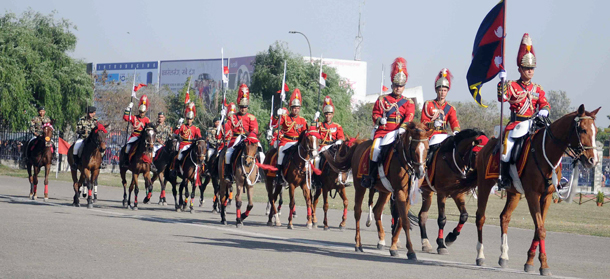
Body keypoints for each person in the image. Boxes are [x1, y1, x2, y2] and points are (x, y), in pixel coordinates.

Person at [497, 33, 550, 189]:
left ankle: (555, 177)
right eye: (526, 68)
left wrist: (545, 110)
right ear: (520, 69)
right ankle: (505, 177)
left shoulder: (537, 88)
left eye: (532, 68)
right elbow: (503, 98)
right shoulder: (512, 85)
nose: (529, 71)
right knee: (506, 151)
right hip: (516, 124)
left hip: (534, 125)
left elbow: (544, 103)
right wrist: (502, 83)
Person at [362, 57, 415, 188]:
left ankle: (414, 178)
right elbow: (375, 113)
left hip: (400, 132)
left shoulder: (409, 102)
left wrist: (403, 127)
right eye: (396, 86)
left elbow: (409, 116)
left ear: (404, 87)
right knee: (374, 150)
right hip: (383, 131)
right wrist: (380, 120)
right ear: (392, 85)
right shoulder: (382, 99)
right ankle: (371, 176)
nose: (398, 88)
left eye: (401, 86)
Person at [223, 84, 261, 183]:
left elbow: (254, 130)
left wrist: (251, 137)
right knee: (228, 154)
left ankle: (259, 173)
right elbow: (227, 128)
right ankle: (228, 174)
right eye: (241, 107)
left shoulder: (251, 117)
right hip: (235, 139)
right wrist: (224, 120)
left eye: (245, 107)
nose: (243, 109)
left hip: (248, 139)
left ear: (247, 107)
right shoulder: (233, 117)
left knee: (261, 153)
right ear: (238, 106)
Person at [271, 88, 308, 184]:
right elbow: (275, 125)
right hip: (286, 141)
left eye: (298, 108)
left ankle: (309, 176)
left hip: (298, 143)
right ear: (291, 108)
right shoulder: (285, 117)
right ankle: (278, 175)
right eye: (294, 107)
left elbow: (305, 133)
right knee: (280, 152)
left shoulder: (302, 120)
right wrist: (276, 115)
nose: (296, 109)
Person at [421, 68, 461, 154]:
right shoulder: (428, 104)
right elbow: (423, 122)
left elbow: (454, 121)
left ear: (447, 91)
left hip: (443, 135)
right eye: (440, 90)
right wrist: (432, 124)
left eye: (444, 90)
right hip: (430, 136)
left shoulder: (450, 108)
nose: (442, 93)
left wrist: (456, 130)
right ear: (436, 90)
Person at [170, 102, 202, 177]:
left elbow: (199, 136)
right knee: (179, 156)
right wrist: (178, 125)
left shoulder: (196, 128)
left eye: (190, 119)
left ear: (193, 119)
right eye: (187, 119)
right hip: (183, 144)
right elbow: (176, 132)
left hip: (191, 145)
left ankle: (201, 171)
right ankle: (175, 170)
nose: (189, 120)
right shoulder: (183, 126)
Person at [314, 96, 345, 170]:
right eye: (326, 114)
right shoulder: (320, 125)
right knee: (316, 160)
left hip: (333, 147)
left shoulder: (337, 126)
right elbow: (312, 130)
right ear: (324, 115)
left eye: (330, 114)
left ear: (332, 115)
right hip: (323, 147)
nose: (328, 116)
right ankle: (315, 177)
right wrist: (315, 119)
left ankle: (342, 177)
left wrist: (339, 141)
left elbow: (341, 137)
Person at [121, 95, 151, 167]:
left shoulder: (147, 119)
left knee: (150, 150)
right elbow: (126, 118)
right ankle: (126, 161)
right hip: (135, 136)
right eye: (140, 112)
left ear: (145, 112)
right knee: (127, 147)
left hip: (143, 137)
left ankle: (150, 164)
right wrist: (128, 109)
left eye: (143, 112)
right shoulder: (134, 117)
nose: (141, 114)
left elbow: (149, 129)